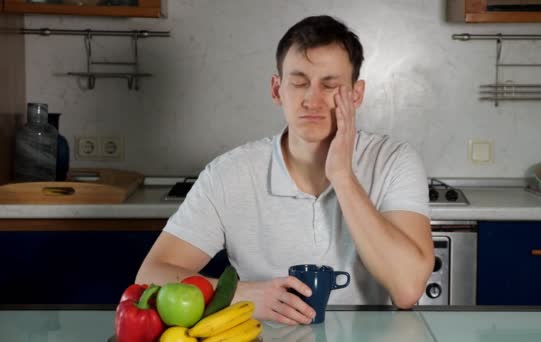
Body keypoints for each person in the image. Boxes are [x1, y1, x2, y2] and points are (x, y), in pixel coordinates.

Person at [136, 15, 434, 325]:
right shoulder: (229, 174)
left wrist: (343, 177)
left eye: (330, 85)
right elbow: (150, 276)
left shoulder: (395, 160)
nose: (311, 99)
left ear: (356, 95)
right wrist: (241, 294)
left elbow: (407, 289)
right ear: (277, 90)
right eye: (299, 82)